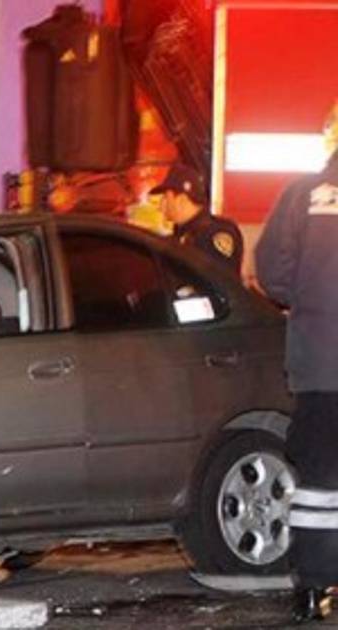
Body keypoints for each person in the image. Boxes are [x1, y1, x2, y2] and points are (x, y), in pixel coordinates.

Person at [255, 105, 338, 624]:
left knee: (318, 480)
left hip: (320, 362)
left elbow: (272, 272)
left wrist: (308, 301)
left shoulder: (301, 194)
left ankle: (312, 587)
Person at [153, 163, 243, 274]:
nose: (160, 206)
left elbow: (217, 280)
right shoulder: (180, 235)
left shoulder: (215, 234)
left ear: (181, 200)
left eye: (166, 198)